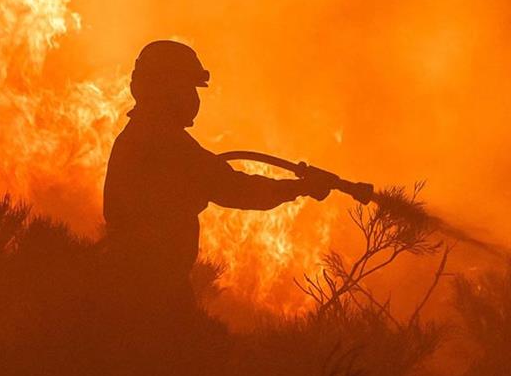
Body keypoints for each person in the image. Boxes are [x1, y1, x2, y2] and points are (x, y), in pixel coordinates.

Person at [102, 40, 337, 317]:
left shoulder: (141, 135)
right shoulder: (165, 143)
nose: (192, 98)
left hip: (134, 283)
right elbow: (235, 189)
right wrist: (301, 188)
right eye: (186, 87)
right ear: (165, 87)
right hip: (151, 291)